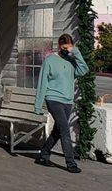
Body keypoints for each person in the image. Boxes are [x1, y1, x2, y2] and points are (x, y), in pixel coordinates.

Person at [34, 33, 89, 173]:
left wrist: (75, 52)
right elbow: (42, 83)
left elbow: (84, 70)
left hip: (67, 100)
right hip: (53, 99)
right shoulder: (50, 60)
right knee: (65, 130)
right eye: (64, 47)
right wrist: (38, 105)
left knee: (58, 130)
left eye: (69, 47)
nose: (66, 49)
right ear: (59, 46)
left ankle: (43, 155)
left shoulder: (71, 61)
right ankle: (71, 163)